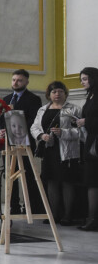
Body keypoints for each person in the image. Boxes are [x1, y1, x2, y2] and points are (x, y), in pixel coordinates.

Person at [30, 81, 82, 225]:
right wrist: (41, 136)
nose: (57, 94)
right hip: (49, 149)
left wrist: (63, 133)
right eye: (54, 92)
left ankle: (67, 215)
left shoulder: (74, 109)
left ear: (65, 93)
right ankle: (53, 214)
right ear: (49, 94)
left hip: (67, 151)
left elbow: (81, 132)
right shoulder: (42, 109)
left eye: (60, 91)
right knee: (51, 181)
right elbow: (34, 127)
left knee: (67, 182)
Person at [0, 69, 43, 215]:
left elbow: (33, 120)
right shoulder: (6, 99)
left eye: (19, 80)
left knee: (28, 175)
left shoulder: (34, 99)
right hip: (8, 144)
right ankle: (14, 207)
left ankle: (31, 207)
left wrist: (15, 128)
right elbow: (0, 120)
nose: (15, 83)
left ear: (27, 82)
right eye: (14, 80)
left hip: (25, 143)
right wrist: (1, 130)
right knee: (10, 176)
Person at [77, 67, 98, 231]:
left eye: (85, 79)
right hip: (91, 141)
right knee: (91, 181)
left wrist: (86, 121)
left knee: (93, 182)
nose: (82, 82)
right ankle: (91, 217)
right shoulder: (91, 95)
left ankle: (93, 219)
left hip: (95, 143)